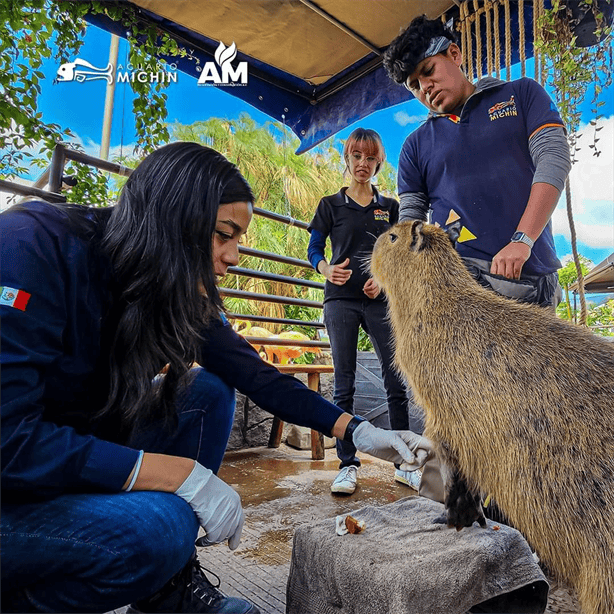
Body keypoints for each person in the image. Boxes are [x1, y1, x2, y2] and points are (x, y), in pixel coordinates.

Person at [0, 142, 434, 614]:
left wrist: (359, 430)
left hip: (70, 459)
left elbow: (256, 374)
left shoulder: (172, 286)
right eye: (223, 234)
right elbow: (9, 439)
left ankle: (163, 595)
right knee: (159, 528)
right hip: (14, 491)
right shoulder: (30, 246)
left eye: (239, 239)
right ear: (172, 218)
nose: (233, 256)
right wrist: (179, 476)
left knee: (205, 392)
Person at [383, 15, 571, 307]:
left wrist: (523, 240)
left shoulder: (520, 94)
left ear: (454, 54)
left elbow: (553, 157)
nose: (425, 87)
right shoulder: (414, 146)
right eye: (415, 86)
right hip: (454, 285)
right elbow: (411, 221)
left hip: (525, 276)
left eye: (428, 70)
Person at [307, 128, 425, 496]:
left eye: (370, 158)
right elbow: (314, 248)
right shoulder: (330, 205)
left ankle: (406, 464)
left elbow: (399, 254)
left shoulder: (389, 208)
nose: (363, 164)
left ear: (378, 163)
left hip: (379, 302)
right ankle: (347, 464)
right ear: (348, 158)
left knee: (395, 380)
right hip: (339, 300)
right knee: (344, 382)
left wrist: (384, 282)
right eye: (357, 156)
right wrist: (326, 269)